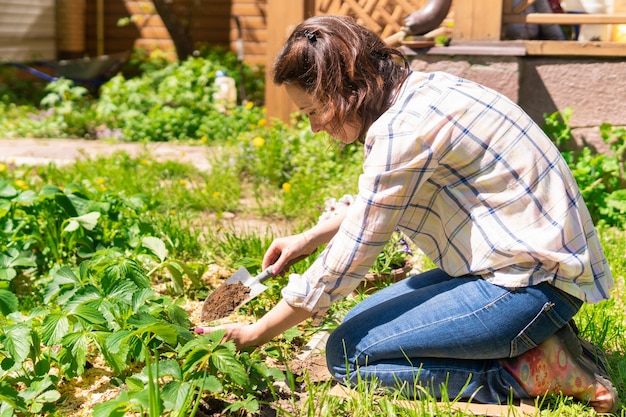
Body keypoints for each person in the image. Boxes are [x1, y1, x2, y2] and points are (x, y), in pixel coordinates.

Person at [196, 15, 619, 412]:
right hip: (526, 272)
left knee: (347, 356)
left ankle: (522, 375)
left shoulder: (404, 131)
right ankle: (545, 342)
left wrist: (256, 333)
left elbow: (347, 262)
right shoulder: (422, 94)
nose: (314, 127)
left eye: (312, 112)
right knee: (358, 322)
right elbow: (380, 202)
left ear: (345, 91)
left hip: (530, 288)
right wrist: (308, 239)